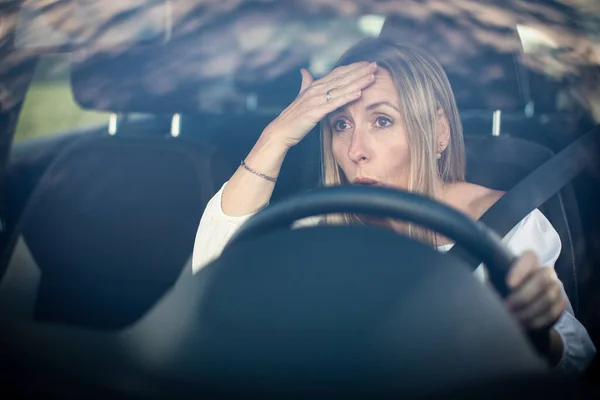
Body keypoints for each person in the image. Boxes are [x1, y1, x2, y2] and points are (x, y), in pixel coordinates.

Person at [192, 37, 596, 374]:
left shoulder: (512, 226)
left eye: (381, 121)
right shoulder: (318, 225)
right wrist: (276, 137)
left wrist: (536, 338)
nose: (355, 150)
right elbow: (209, 284)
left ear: (437, 131)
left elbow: (578, 359)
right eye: (340, 125)